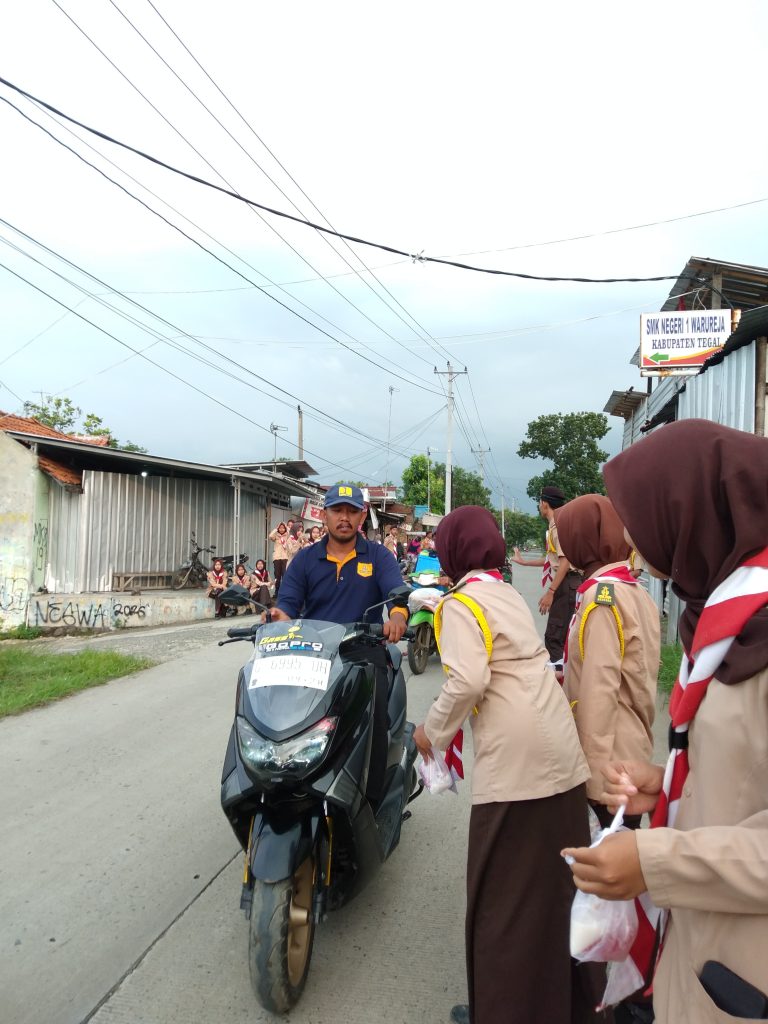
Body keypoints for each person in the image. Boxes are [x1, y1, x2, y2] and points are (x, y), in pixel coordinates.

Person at [562, 420, 768, 1024]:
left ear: (693, 513)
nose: (629, 535)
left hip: (743, 971)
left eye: (642, 512)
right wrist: (677, 783)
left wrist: (656, 861)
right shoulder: (725, 622)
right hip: (700, 947)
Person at [413, 506, 603, 1024]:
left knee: (500, 902)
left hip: (517, 763)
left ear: (452, 551)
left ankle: (503, 1010)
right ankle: (573, 1008)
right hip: (558, 747)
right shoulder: (505, 592)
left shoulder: (459, 604)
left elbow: (468, 681)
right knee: (562, 892)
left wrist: (430, 731)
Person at [271, 484, 409, 801]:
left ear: (361, 516)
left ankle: (372, 799)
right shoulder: (305, 559)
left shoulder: (378, 556)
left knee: (373, 721)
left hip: (363, 654)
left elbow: (396, 595)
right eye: (337, 510)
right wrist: (276, 618)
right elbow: (287, 605)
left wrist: (397, 618)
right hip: (312, 655)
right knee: (286, 717)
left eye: (351, 511)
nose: (344, 517)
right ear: (325, 515)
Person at [556, 495, 660, 830]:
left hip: (610, 761)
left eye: (567, 534)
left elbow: (599, 692)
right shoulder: (633, 590)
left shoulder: (601, 598)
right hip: (632, 743)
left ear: (582, 539)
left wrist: (595, 779)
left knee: (612, 848)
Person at [511, 485, 581, 664]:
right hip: (566, 583)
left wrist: (551, 592)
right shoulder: (556, 524)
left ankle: (560, 678)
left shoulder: (558, 526)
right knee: (560, 635)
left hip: (567, 584)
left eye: (539, 502)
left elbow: (565, 561)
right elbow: (552, 559)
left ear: (544, 503)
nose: (539, 506)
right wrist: (524, 562)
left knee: (555, 637)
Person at [268, 522, 290, 598]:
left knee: (285, 575)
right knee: (277, 575)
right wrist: (276, 529)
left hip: (285, 557)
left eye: (283, 528)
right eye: (280, 528)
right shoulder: (276, 535)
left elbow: (291, 533)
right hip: (277, 557)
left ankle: (284, 592)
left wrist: (287, 527)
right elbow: (270, 536)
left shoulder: (287, 535)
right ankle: (276, 591)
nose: (281, 529)